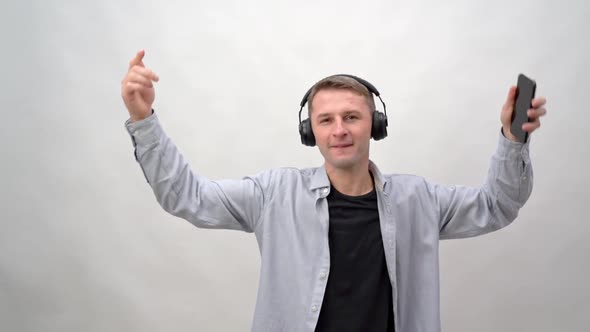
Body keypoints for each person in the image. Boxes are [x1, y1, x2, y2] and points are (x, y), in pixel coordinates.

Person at [121, 50, 547, 332]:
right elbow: (186, 196)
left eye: (351, 117)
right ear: (310, 132)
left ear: (375, 126)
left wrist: (513, 137)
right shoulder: (273, 195)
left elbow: (498, 205)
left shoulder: (419, 201)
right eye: (325, 120)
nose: (339, 130)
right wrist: (144, 119)